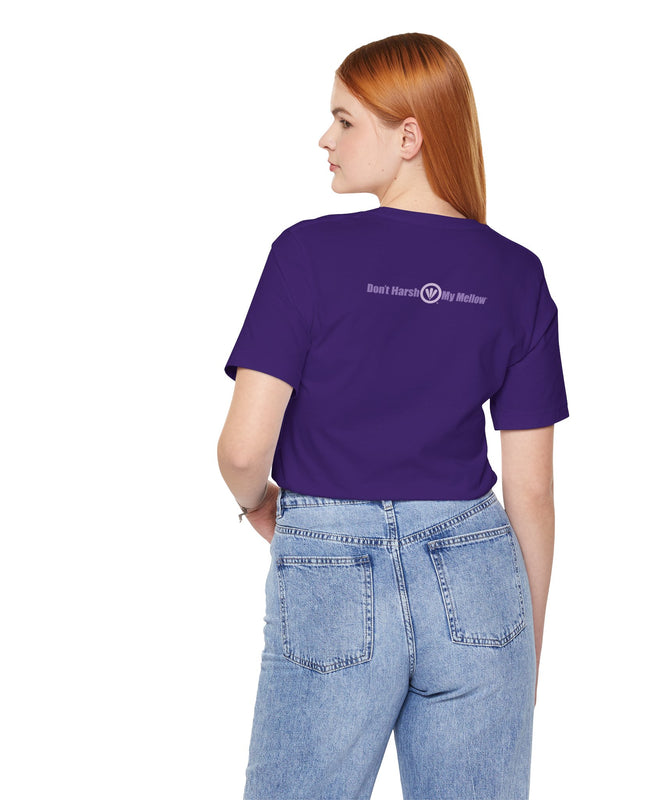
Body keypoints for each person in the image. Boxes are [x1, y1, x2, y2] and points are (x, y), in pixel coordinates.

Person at [217, 32, 569, 800]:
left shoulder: (306, 254)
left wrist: (261, 507)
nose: (326, 138)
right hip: (478, 580)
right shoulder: (517, 273)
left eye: (345, 121)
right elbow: (533, 493)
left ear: (409, 137)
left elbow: (243, 451)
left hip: (331, 568)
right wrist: (525, 649)